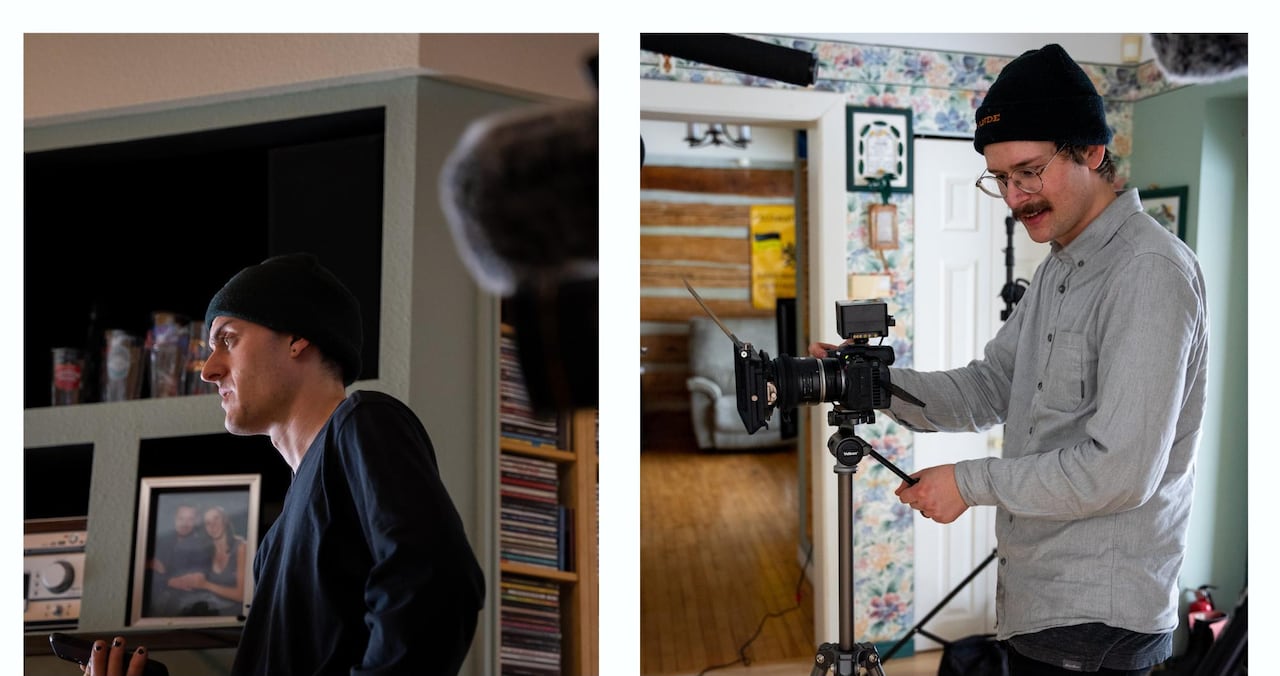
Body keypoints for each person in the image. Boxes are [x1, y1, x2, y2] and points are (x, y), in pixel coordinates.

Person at [812, 44, 1208, 675]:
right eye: (1000, 178)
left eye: (1029, 171)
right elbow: (990, 387)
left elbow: (1122, 471)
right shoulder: (1061, 267)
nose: (1015, 197)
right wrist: (867, 384)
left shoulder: (1148, 273)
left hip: (1098, 620)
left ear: (1093, 152)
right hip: (1041, 598)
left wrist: (968, 483)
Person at [89, 252, 486, 676]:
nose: (208, 370)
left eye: (228, 339)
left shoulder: (361, 423)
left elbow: (435, 583)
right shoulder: (273, 543)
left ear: (297, 337)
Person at [163, 505, 248, 617]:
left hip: (233, 613)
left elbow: (242, 595)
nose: (213, 525)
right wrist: (181, 580)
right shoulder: (205, 550)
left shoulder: (241, 547)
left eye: (216, 518)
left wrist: (206, 585)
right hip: (209, 607)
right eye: (208, 523)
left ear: (225, 520)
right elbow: (184, 572)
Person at [144, 502, 213, 617]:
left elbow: (189, 582)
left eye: (190, 519)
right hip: (152, 600)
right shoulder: (161, 540)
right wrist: (168, 580)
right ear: (174, 519)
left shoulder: (203, 545)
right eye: (181, 518)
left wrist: (164, 576)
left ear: (196, 521)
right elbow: (145, 572)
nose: (185, 523)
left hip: (183, 604)